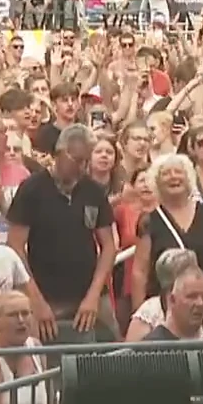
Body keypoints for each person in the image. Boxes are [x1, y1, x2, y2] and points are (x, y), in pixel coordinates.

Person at [8, 125, 120, 344]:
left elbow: (108, 246)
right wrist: (36, 300)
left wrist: (94, 294)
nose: (83, 167)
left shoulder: (93, 191)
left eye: (86, 161)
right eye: (77, 160)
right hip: (46, 292)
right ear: (59, 153)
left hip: (89, 291)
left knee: (110, 351)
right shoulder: (32, 189)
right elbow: (15, 246)